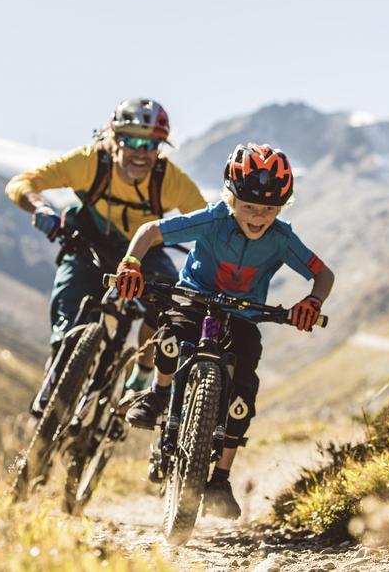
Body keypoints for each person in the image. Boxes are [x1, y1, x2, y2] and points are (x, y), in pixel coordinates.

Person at [115, 142, 335, 519]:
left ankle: (220, 477)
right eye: (249, 206)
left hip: (243, 316)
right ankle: (157, 393)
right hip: (194, 298)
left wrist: (312, 302)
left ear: (281, 208)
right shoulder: (213, 219)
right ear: (230, 198)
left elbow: (322, 274)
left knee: (244, 387)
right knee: (169, 333)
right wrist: (132, 261)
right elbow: (151, 231)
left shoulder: (281, 238)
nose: (258, 216)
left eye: (268, 209)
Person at [5, 98, 207, 416]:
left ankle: (140, 376)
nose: (141, 152)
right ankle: (57, 371)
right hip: (88, 243)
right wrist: (40, 207)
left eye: (152, 143)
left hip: (142, 253)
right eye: (132, 140)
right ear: (112, 136)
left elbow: (208, 223)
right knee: (69, 310)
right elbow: (21, 183)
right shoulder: (89, 163)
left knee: (168, 304)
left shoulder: (170, 180)